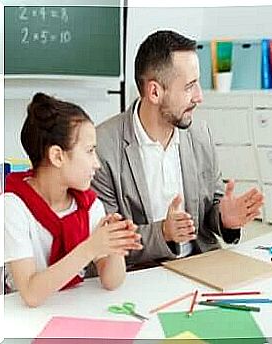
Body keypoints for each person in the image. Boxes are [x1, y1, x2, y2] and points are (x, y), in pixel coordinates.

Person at [92, 30, 263, 269]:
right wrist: (163, 232)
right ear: (154, 92)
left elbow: (210, 208)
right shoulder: (102, 148)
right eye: (189, 86)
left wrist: (225, 218)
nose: (200, 96)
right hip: (139, 276)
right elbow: (105, 242)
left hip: (199, 265)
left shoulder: (199, 135)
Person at [4, 93, 142, 307]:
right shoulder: (12, 206)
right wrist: (91, 247)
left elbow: (111, 281)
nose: (96, 163)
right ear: (57, 156)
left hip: (73, 308)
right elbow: (30, 295)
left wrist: (115, 246)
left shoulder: (89, 204)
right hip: (22, 317)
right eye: (89, 151)